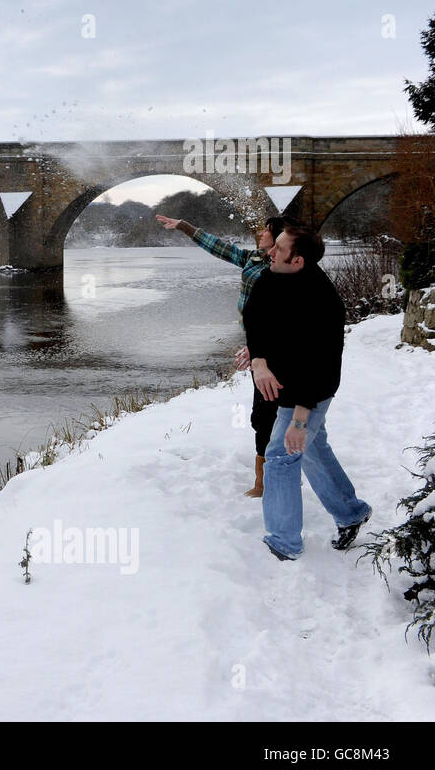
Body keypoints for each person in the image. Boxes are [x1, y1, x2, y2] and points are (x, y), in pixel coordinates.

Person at [241, 225, 372, 561]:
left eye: (279, 248)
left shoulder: (323, 301)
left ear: (297, 261)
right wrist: (258, 359)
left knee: (282, 455)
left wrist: (301, 416)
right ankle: (351, 512)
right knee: (312, 448)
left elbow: (322, 365)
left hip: (311, 388)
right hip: (283, 379)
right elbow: (255, 316)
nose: (270, 251)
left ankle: (283, 543)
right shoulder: (271, 277)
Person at [155, 212, 283, 497]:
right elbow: (222, 248)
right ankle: (273, 473)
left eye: (267, 231)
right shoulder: (255, 259)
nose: (261, 234)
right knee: (262, 414)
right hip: (257, 343)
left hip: (271, 345)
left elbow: (284, 314)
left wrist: (259, 344)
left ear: (280, 238)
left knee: (267, 412)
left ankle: (268, 481)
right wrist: (185, 225)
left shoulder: (282, 270)